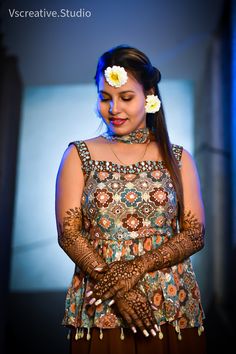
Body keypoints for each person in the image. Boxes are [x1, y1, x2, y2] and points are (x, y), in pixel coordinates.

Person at [55, 44, 207, 354]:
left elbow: (194, 234)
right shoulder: (78, 155)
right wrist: (120, 292)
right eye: (104, 98)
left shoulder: (177, 158)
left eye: (126, 98)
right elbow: (69, 234)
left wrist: (134, 269)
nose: (114, 109)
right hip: (103, 306)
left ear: (149, 95)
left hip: (170, 302)